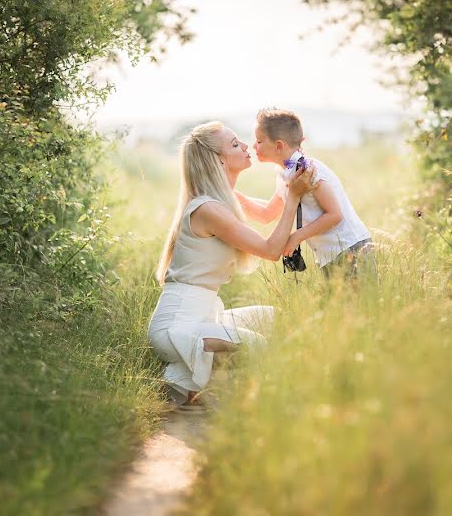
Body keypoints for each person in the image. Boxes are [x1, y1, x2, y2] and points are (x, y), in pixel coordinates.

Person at [148, 121, 318, 409]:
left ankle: (190, 381)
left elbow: (265, 215)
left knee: (279, 319)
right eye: (235, 143)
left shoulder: (222, 200)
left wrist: (290, 176)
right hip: (177, 326)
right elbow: (271, 250)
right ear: (220, 159)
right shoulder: (209, 209)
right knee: (258, 346)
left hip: (205, 316)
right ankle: (199, 384)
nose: (246, 146)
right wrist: (293, 198)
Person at [235, 108, 376, 279]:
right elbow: (267, 214)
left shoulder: (307, 170)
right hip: (330, 255)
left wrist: (296, 237)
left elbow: (335, 215)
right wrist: (230, 193)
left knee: (357, 304)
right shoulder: (285, 175)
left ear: (279, 145)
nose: (254, 146)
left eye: (259, 140)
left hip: (351, 248)